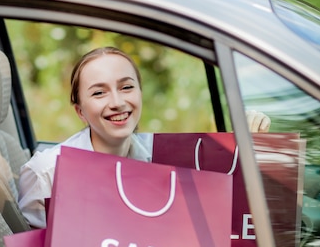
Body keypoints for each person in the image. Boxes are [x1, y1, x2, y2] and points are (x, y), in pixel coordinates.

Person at [18, 46, 270, 228]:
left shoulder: (166, 160)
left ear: (140, 94)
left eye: (127, 87)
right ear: (80, 111)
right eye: (99, 93)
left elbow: (221, 212)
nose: (117, 102)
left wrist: (249, 147)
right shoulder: (46, 173)